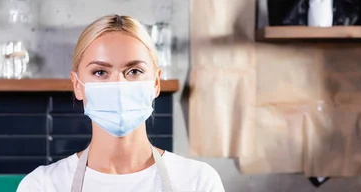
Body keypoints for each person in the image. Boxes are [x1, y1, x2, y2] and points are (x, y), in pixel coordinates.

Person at [16, 15, 225, 192]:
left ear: (156, 83)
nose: (118, 85)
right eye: (100, 72)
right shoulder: (42, 186)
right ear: (77, 85)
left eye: (134, 71)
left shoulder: (199, 182)